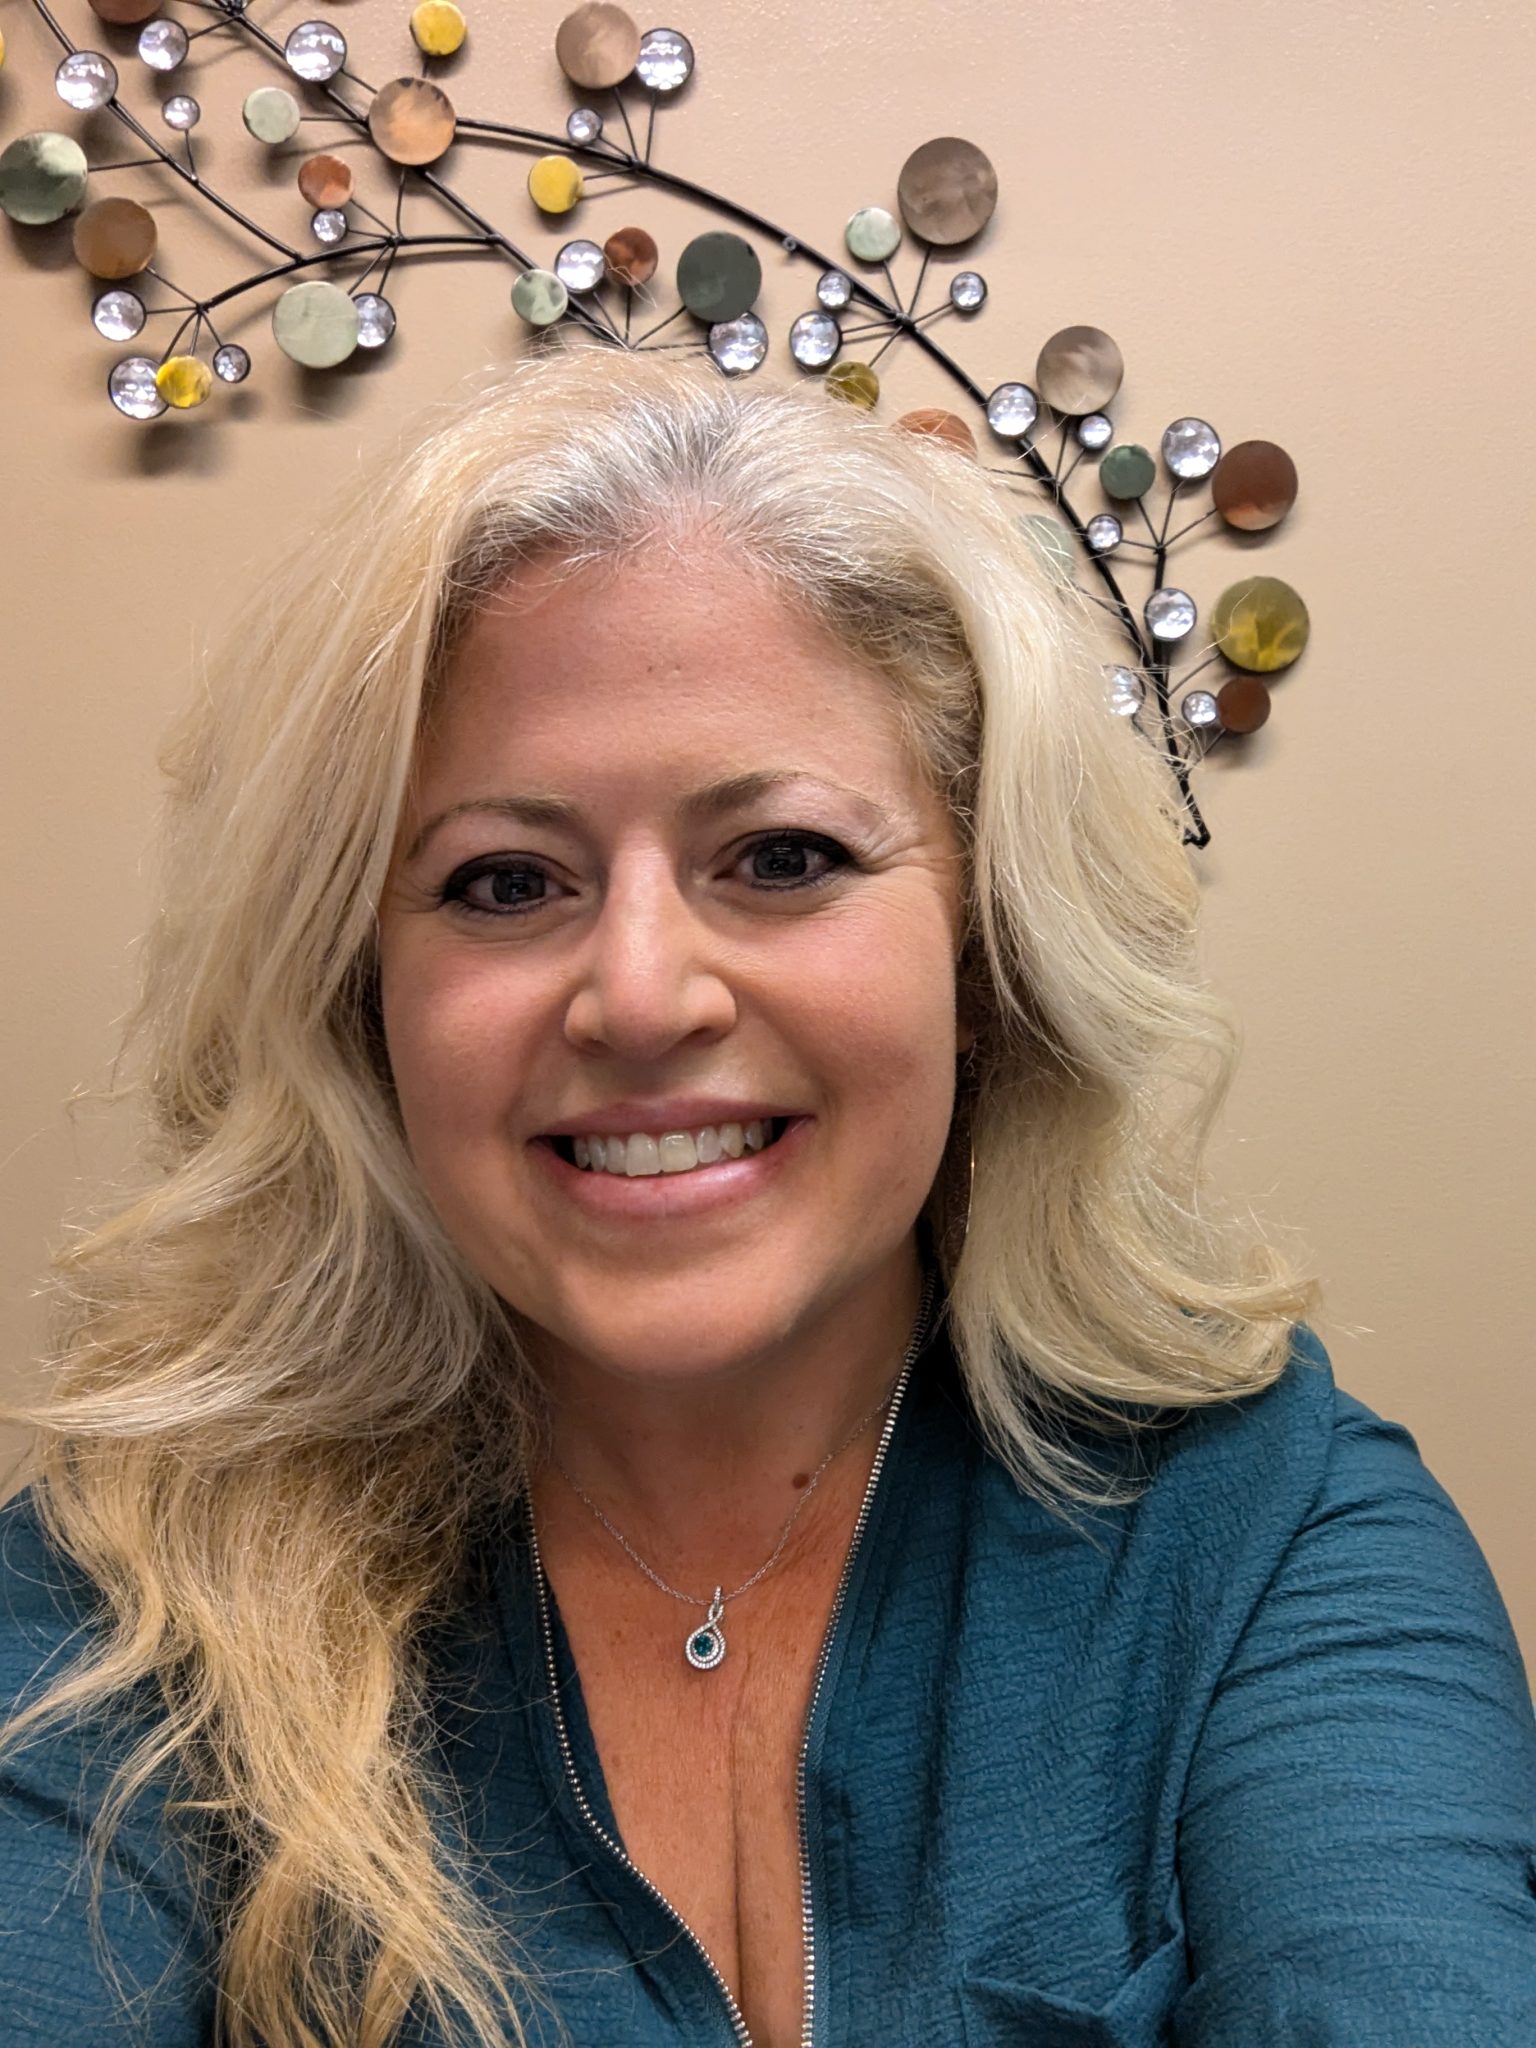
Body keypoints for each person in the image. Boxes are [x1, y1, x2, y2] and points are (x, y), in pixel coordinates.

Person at [0, 347, 1531, 2048]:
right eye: (504, 882)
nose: (642, 998)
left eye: (784, 858)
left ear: (984, 948)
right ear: (364, 997)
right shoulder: (124, 1592)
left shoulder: (1270, 1537)